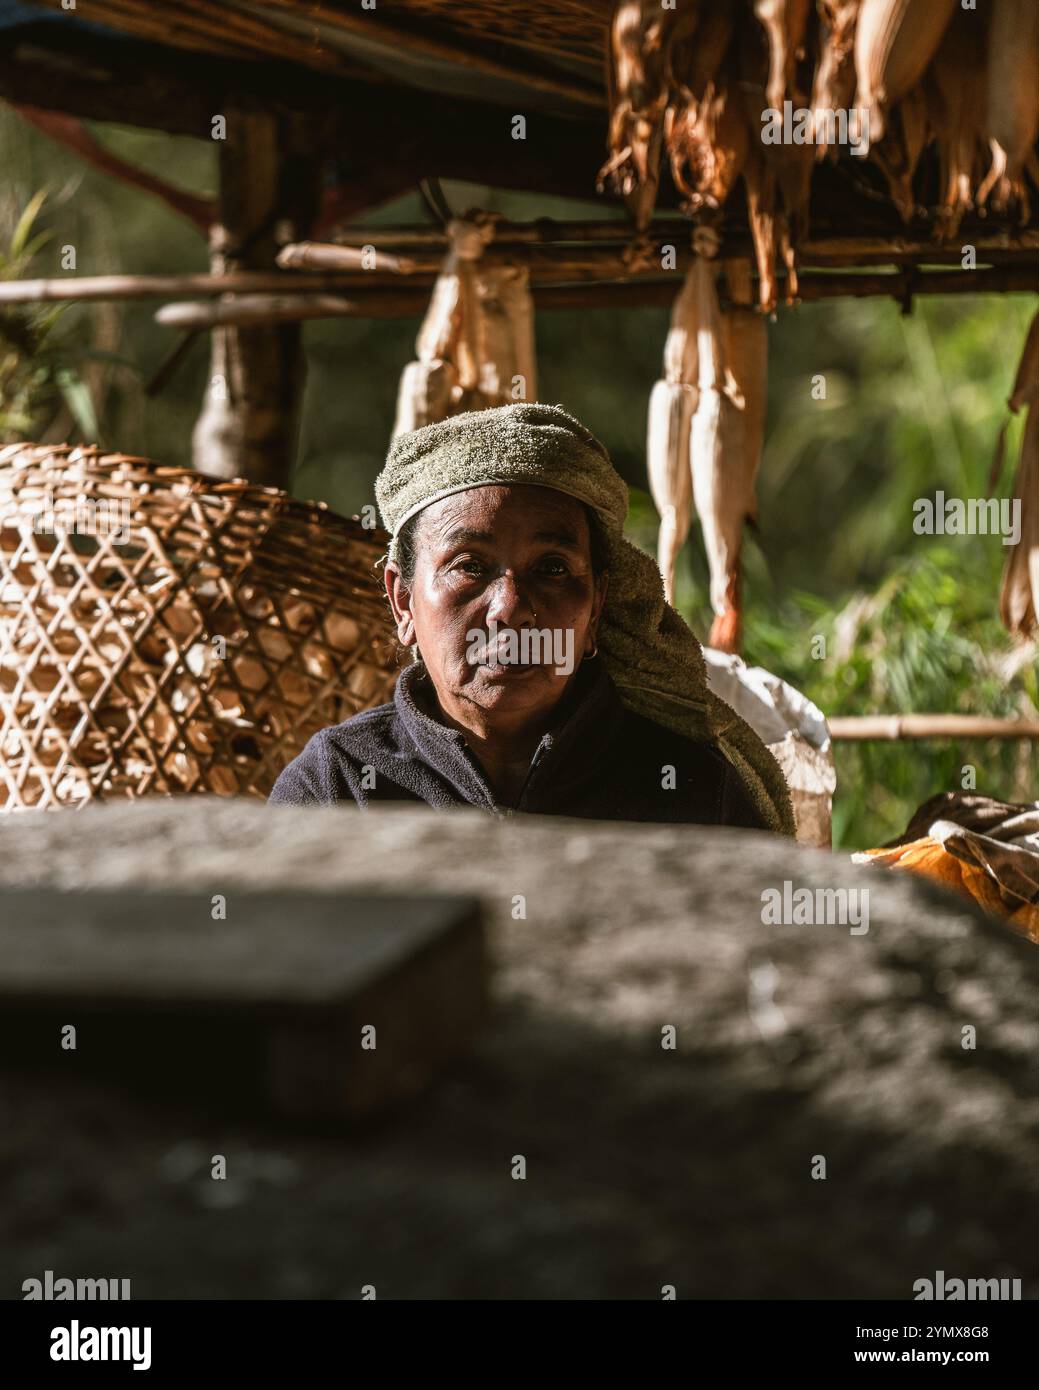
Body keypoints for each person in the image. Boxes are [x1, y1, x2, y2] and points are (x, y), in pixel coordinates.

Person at [269, 403, 793, 832]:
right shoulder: (335, 788)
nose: (512, 608)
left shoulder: (688, 788)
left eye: (552, 569)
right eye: (469, 566)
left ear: (596, 609)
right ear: (402, 600)